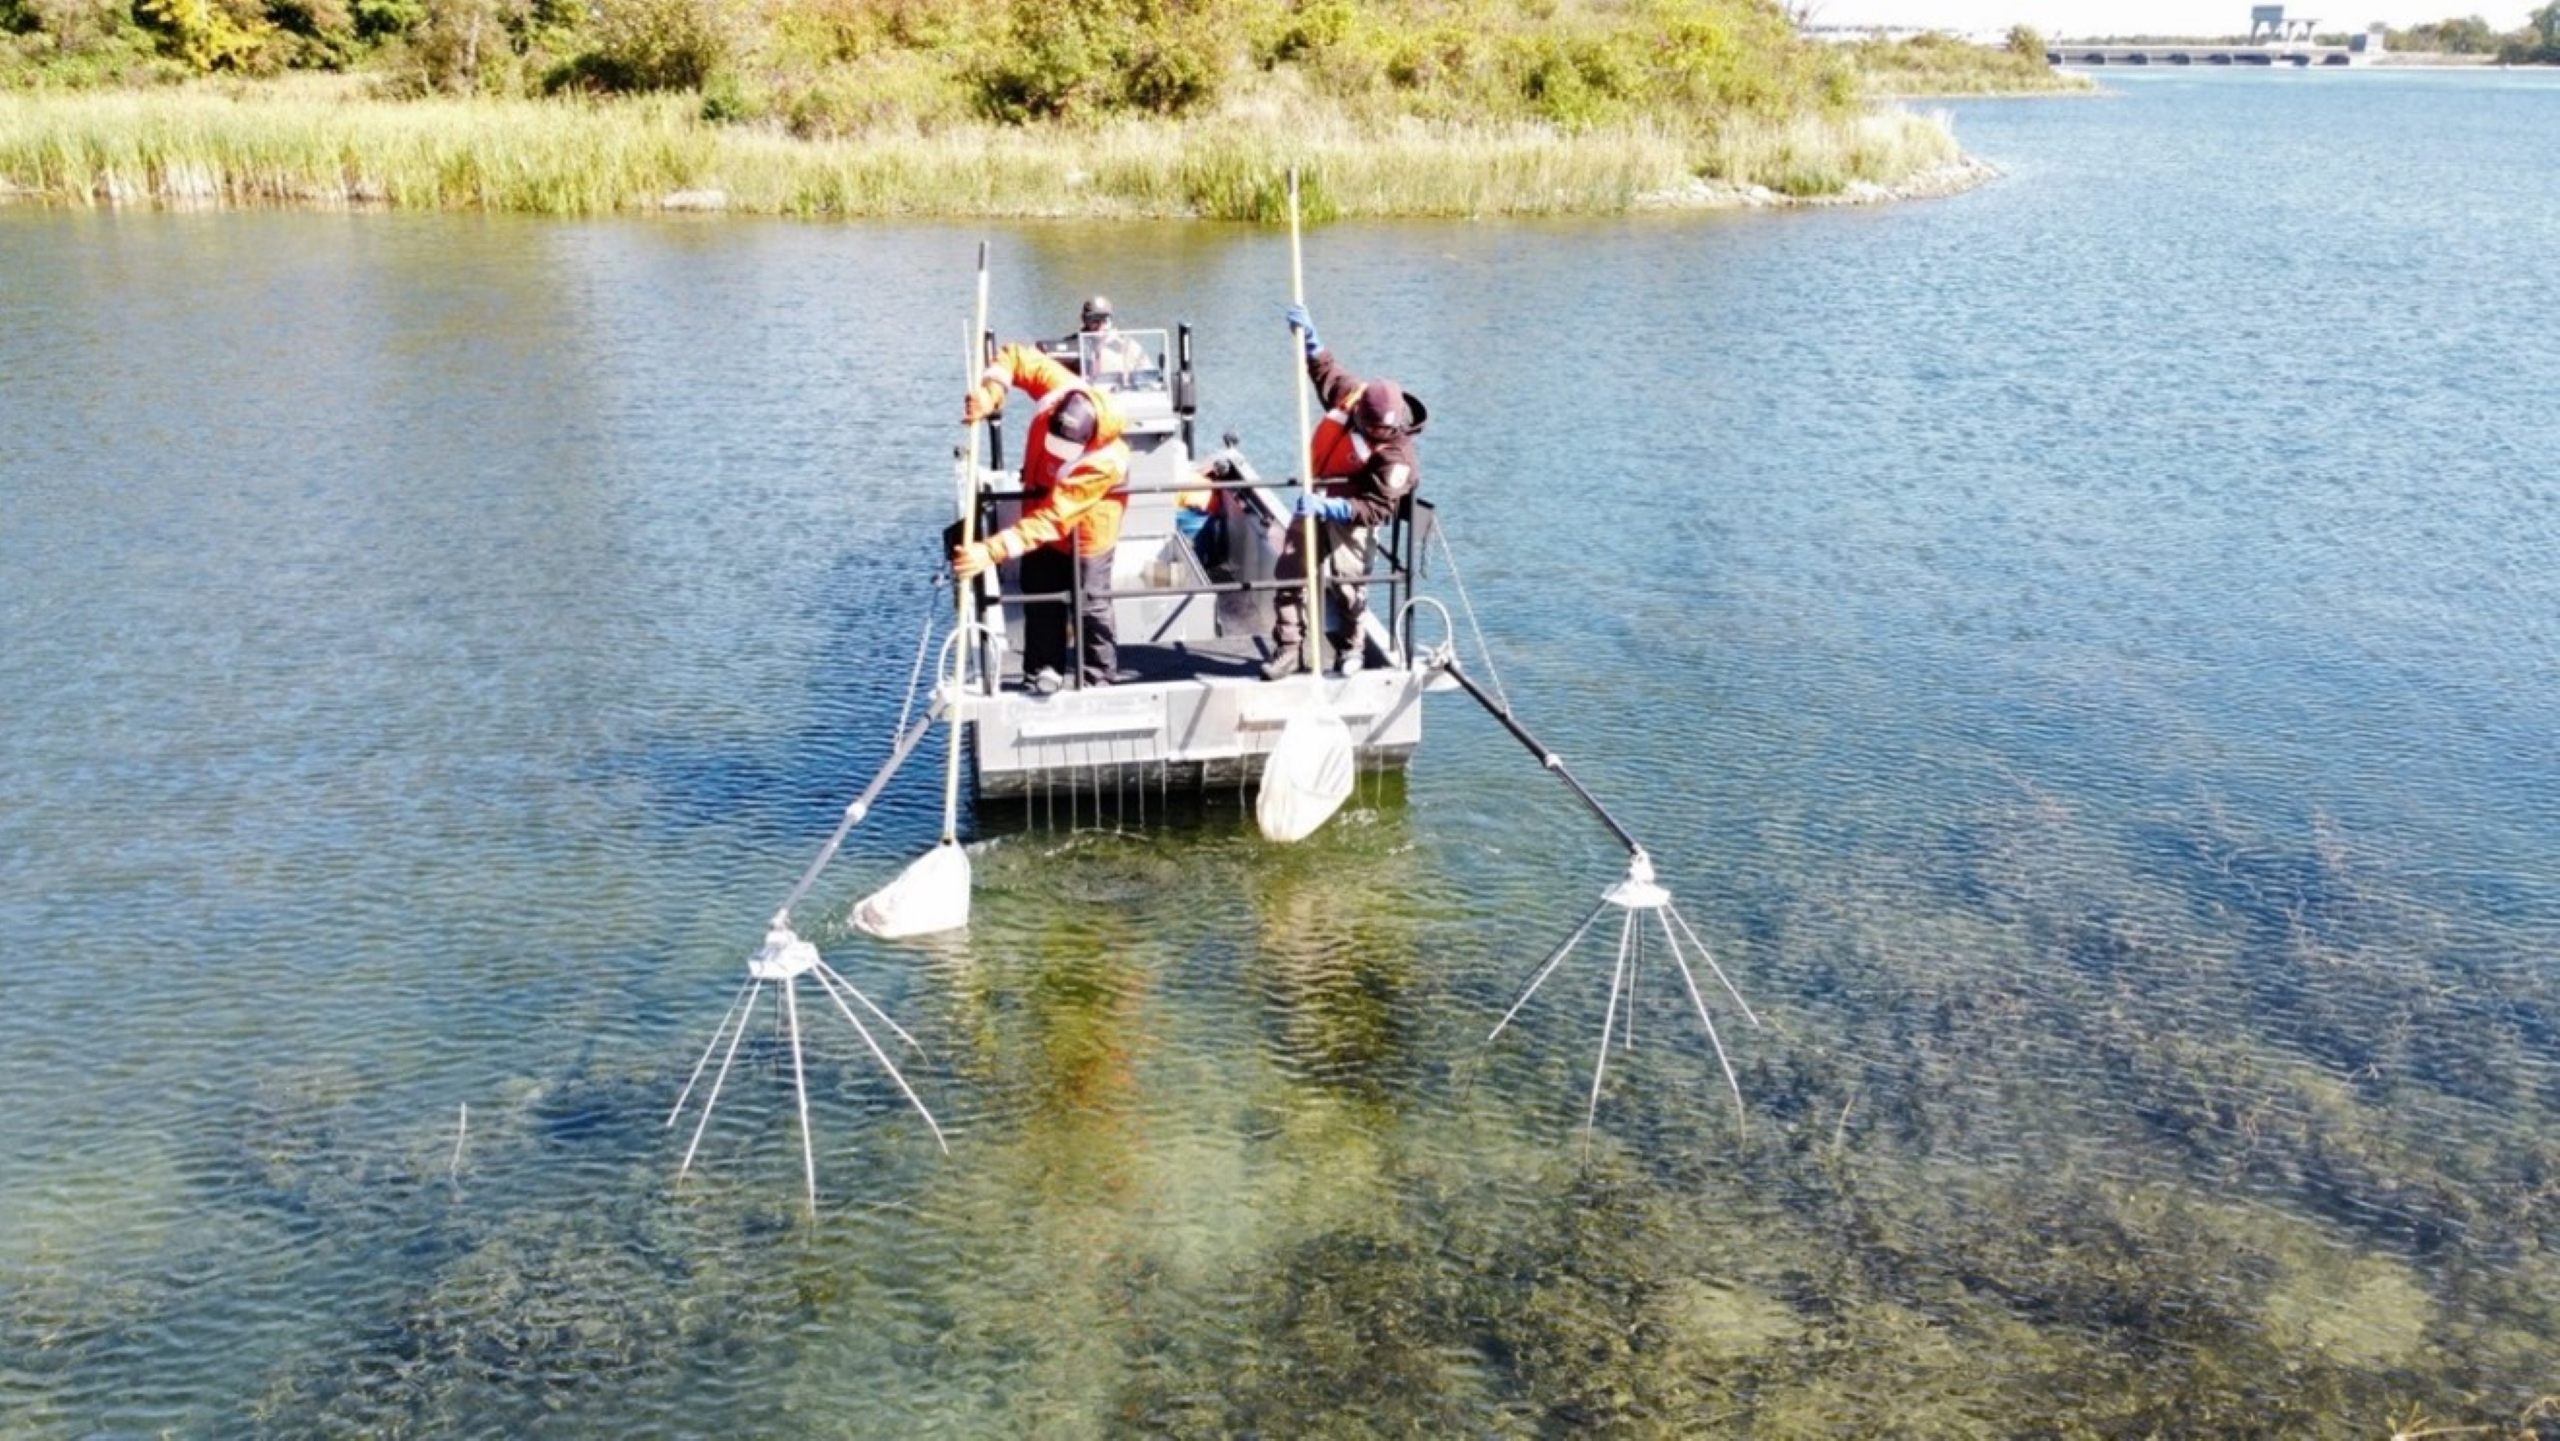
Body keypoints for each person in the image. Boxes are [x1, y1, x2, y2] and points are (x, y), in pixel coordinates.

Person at [951, 342, 1132, 692]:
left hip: (1089, 528)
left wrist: (990, 551)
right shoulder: (1059, 391)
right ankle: (1041, 673)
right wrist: (991, 394)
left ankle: (1098, 679)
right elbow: (1015, 356)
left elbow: (1054, 517)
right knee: (1040, 589)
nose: (1056, 453)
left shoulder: (1104, 462)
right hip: (1039, 510)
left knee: (1091, 603)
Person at [1261, 303, 1427, 680]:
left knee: (1348, 584)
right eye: (1370, 428)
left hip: (1351, 519)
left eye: (1381, 431)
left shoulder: (1398, 458)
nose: (1375, 434)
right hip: (1315, 502)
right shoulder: (1353, 398)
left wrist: (1332, 508)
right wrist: (1311, 341)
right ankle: (1289, 649)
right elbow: (1326, 372)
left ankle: (1352, 648)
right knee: (1290, 571)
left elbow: (1377, 508)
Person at [1071, 295, 1149, 383]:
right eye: (1095, 320)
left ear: (1111, 320)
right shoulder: (1071, 344)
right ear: (1084, 320)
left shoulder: (1128, 345)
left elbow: (1149, 376)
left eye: (1105, 320)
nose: (1100, 326)